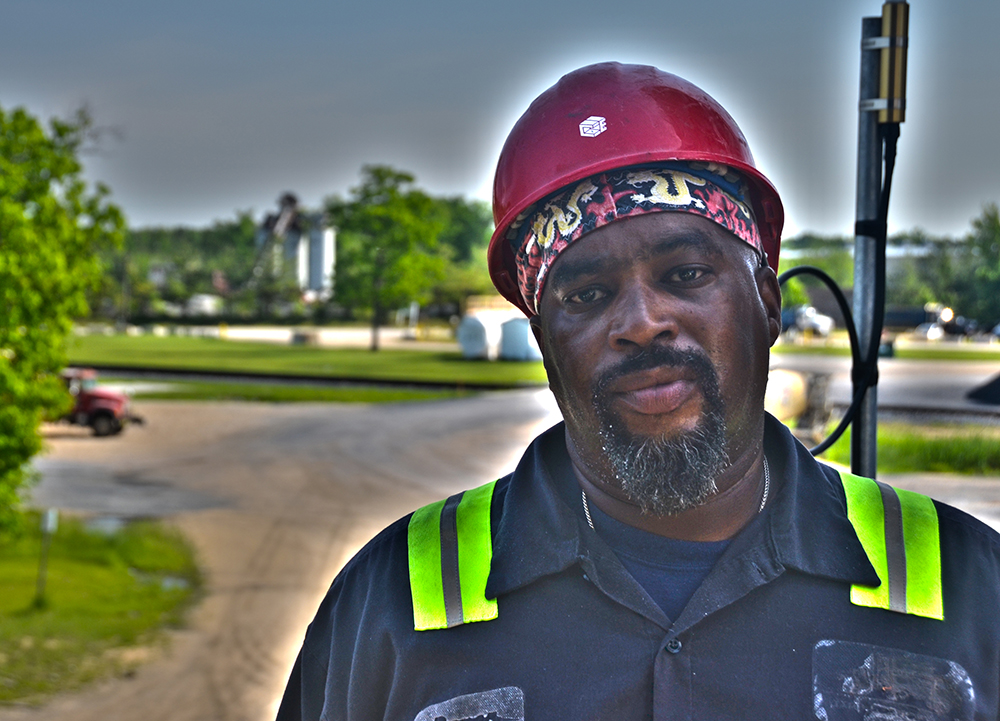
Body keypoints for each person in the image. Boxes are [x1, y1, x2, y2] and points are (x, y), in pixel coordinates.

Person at [277, 62, 1000, 720]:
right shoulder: (388, 604)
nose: (641, 323)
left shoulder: (973, 594)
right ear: (545, 347)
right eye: (587, 293)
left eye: (685, 274)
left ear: (768, 304)